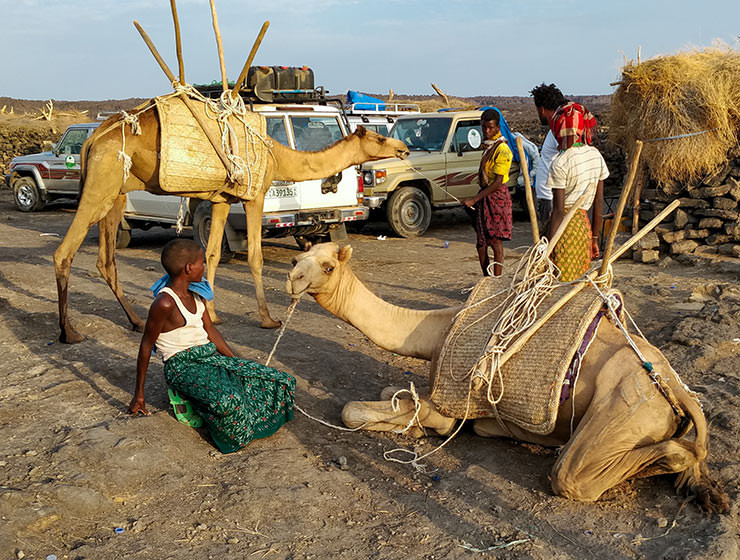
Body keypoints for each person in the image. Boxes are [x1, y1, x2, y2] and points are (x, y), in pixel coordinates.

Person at [128, 239, 295, 453]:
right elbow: (145, 347)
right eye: (201, 263)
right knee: (228, 401)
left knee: (277, 380)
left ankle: (223, 409)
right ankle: (200, 410)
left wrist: (235, 362)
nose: (203, 267)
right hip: (183, 366)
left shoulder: (197, 294)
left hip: (209, 358)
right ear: (189, 268)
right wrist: (139, 396)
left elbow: (210, 331)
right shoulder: (164, 303)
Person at [546, 107, 609, 282]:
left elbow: (558, 211)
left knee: (560, 284)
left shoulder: (560, 162)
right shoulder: (595, 155)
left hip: (564, 230)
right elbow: (598, 202)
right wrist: (594, 238)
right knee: (579, 284)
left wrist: (547, 249)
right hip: (584, 229)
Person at [530, 84, 600, 235]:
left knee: (552, 240)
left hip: (554, 197)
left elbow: (568, 159)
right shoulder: (557, 131)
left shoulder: (562, 130)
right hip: (558, 195)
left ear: (541, 109)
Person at [463, 108, 513, 277]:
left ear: (498, 127)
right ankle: (486, 277)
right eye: (484, 127)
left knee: (495, 241)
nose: (487, 131)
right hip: (485, 195)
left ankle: (496, 280)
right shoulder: (488, 146)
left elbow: (498, 182)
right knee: (481, 242)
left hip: (497, 198)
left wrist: (474, 199)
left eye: (491, 127)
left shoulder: (502, 149)